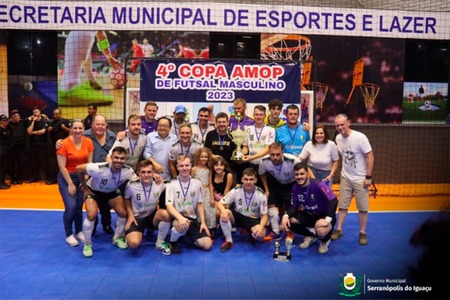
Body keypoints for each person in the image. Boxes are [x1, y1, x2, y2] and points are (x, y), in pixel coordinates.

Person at [76, 146, 136, 258]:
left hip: (111, 193)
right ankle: (87, 244)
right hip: (94, 192)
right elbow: (79, 168)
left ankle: (117, 237)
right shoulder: (98, 167)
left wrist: (154, 176)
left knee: (123, 213)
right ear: (111, 157)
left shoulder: (128, 171)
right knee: (91, 214)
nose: (119, 161)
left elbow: (138, 180)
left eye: (122, 158)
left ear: (126, 159)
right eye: (116, 158)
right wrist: (84, 187)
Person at [331, 114, 374, 246]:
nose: (340, 127)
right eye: (337, 125)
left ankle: (362, 233)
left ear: (348, 123)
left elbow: (370, 157)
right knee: (342, 206)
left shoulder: (360, 137)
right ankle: (339, 229)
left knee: (362, 208)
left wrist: (368, 177)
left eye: (342, 124)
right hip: (346, 177)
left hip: (361, 178)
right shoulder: (338, 138)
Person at [280, 163, 338, 254]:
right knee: (289, 222)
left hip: (324, 215)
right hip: (310, 215)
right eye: (297, 174)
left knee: (321, 230)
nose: (299, 177)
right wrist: (286, 215)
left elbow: (333, 200)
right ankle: (311, 235)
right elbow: (294, 207)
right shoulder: (295, 188)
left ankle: (324, 241)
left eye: (302, 174)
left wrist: (327, 220)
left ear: (307, 174)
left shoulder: (318, 184)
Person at [56, 120, 94, 246]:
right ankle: (68, 234)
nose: (78, 130)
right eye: (75, 128)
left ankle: (78, 231)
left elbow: (89, 164)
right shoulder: (64, 144)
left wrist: (85, 181)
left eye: (80, 128)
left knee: (78, 207)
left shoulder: (88, 142)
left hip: (81, 177)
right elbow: (62, 167)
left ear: (84, 129)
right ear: (71, 129)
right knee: (71, 207)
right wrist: (70, 184)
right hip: (67, 177)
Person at [59, 31, 122, 106]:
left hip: (77, 36)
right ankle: (69, 86)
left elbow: (100, 34)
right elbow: (101, 35)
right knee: (89, 29)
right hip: (81, 35)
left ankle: (90, 81)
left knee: (88, 30)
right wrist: (109, 56)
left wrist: (91, 79)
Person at [165, 155, 213, 254]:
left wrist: (203, 223)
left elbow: (200, 203)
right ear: (177, 167)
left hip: (192, 218)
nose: (184, 168)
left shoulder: (197, 183)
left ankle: (186, 236)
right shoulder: (171, 183)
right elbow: (169, 205)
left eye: (187, 165)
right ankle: (173, 241)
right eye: (181, 166)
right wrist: (180, 218)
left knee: (207, 245)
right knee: (183, 225)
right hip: (177, 217)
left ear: (191, 166)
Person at [124, 160, 172, 255]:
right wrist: (130, 215)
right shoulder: (131, 185)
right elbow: (126, 199)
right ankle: (133, 233)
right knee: (133, 244)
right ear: (138, 173)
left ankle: (159, 242)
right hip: (136, 218)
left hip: (151, 216)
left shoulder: (159, 183)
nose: (146, 175)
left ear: (153, 172)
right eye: (143, 172)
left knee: (166, 214)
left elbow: (171, 187)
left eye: (149, 172)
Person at [216, 167, 268, 252]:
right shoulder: (236, 190)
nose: (248, 182)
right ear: (242, 180)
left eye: (251, 179)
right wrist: (223, 211)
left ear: (255, 180)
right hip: (238, 216)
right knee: (224, 213)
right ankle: (229, 241)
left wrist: (261, 227)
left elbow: (265, 216)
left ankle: (251, 233)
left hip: (252, 219)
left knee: (260, 236)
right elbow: (219, 203)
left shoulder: (261, 194)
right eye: (246, 179)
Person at [258, 142, 300, 241]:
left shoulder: (293, 160)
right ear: (269, 153)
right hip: (276, 182)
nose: (275, 157)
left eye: (278, 154)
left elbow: (304, 171)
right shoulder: (264, 161)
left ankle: (289, 232)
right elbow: (262, 174)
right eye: (272, 154)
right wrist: (266, 189)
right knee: (271, 206)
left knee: (288, 210)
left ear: (282, 153)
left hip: (291, 184)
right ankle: (276, 232)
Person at [83, 114, 117, 234]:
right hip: (90, 174)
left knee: (105, 202)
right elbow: (71, 141)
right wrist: (59, 142)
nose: (100, 127)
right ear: (92, 125)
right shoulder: (84, 135)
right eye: (97, 124)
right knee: (92, 202)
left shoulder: (113, 136)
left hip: (107, 175)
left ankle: (107, 224)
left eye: (102, 124)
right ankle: (92, 225)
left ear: (106, 125)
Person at [143, 117, 178, 208]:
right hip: (152, 177)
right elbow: (146, 152)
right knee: (150, 204)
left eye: (165, 126)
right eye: (160, 125)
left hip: (167, 178)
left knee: (165, 204)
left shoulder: (174, 138)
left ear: (170, 128)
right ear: (157, 126)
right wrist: (154, 163)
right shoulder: (150, 136)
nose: (162, 128)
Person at [191, 147, 216, 237]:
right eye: (202, 157)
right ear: (198, 157)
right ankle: (200, 228)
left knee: (208, 210)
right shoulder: (194, 169)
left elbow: (210, 183)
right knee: (199, 211)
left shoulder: (208, 169)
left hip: (206, 192)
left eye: (206, 157)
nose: (203, 159)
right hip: (197, 192)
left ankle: (210, 229)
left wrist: (212, 198)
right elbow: (191, 182)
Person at [26, 106, 52, 184]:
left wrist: (33, 133)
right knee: (33, 162)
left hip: (43, 145)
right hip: (33, 145)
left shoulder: (44, 120)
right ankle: (34, 178)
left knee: (45, 162)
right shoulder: (30, 121)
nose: (35, 114)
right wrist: (33, 122)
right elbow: (28, 131)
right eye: (34, 112)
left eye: (36, 112)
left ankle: (48, 178)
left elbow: (43, 131)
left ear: (40, 112)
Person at [48, 108, 71, 184]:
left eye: (57, 114)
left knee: (64, 164)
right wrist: (49, 129)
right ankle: (53, 179)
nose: (55, 116)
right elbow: (47, 130)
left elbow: (71, 132)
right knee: (53, 163)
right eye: (54, 114)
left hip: (64, 145)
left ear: (60, 114)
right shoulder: (52, 122)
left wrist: (64, 128)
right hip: (54, 145)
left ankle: (65, 179)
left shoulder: (66, 121)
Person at [7, 110, 28, 185]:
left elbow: (33, 117)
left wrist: (42, 115)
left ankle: (19, 178)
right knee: (11, 164)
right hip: (12, 148)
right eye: (15, 116)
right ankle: (13, 178)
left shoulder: (23, 122)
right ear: (12, 117)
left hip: (21, 147)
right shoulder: (8, 124)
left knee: (21, 163)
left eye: (18, 116)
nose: (17, 117)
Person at [0, 114, 11, 189]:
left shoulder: (7, 128)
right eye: (4, 120)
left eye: (7, 120)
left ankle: (2, 182)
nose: (6, 121)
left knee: (4, 168)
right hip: (1, 150)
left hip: (6, 150)